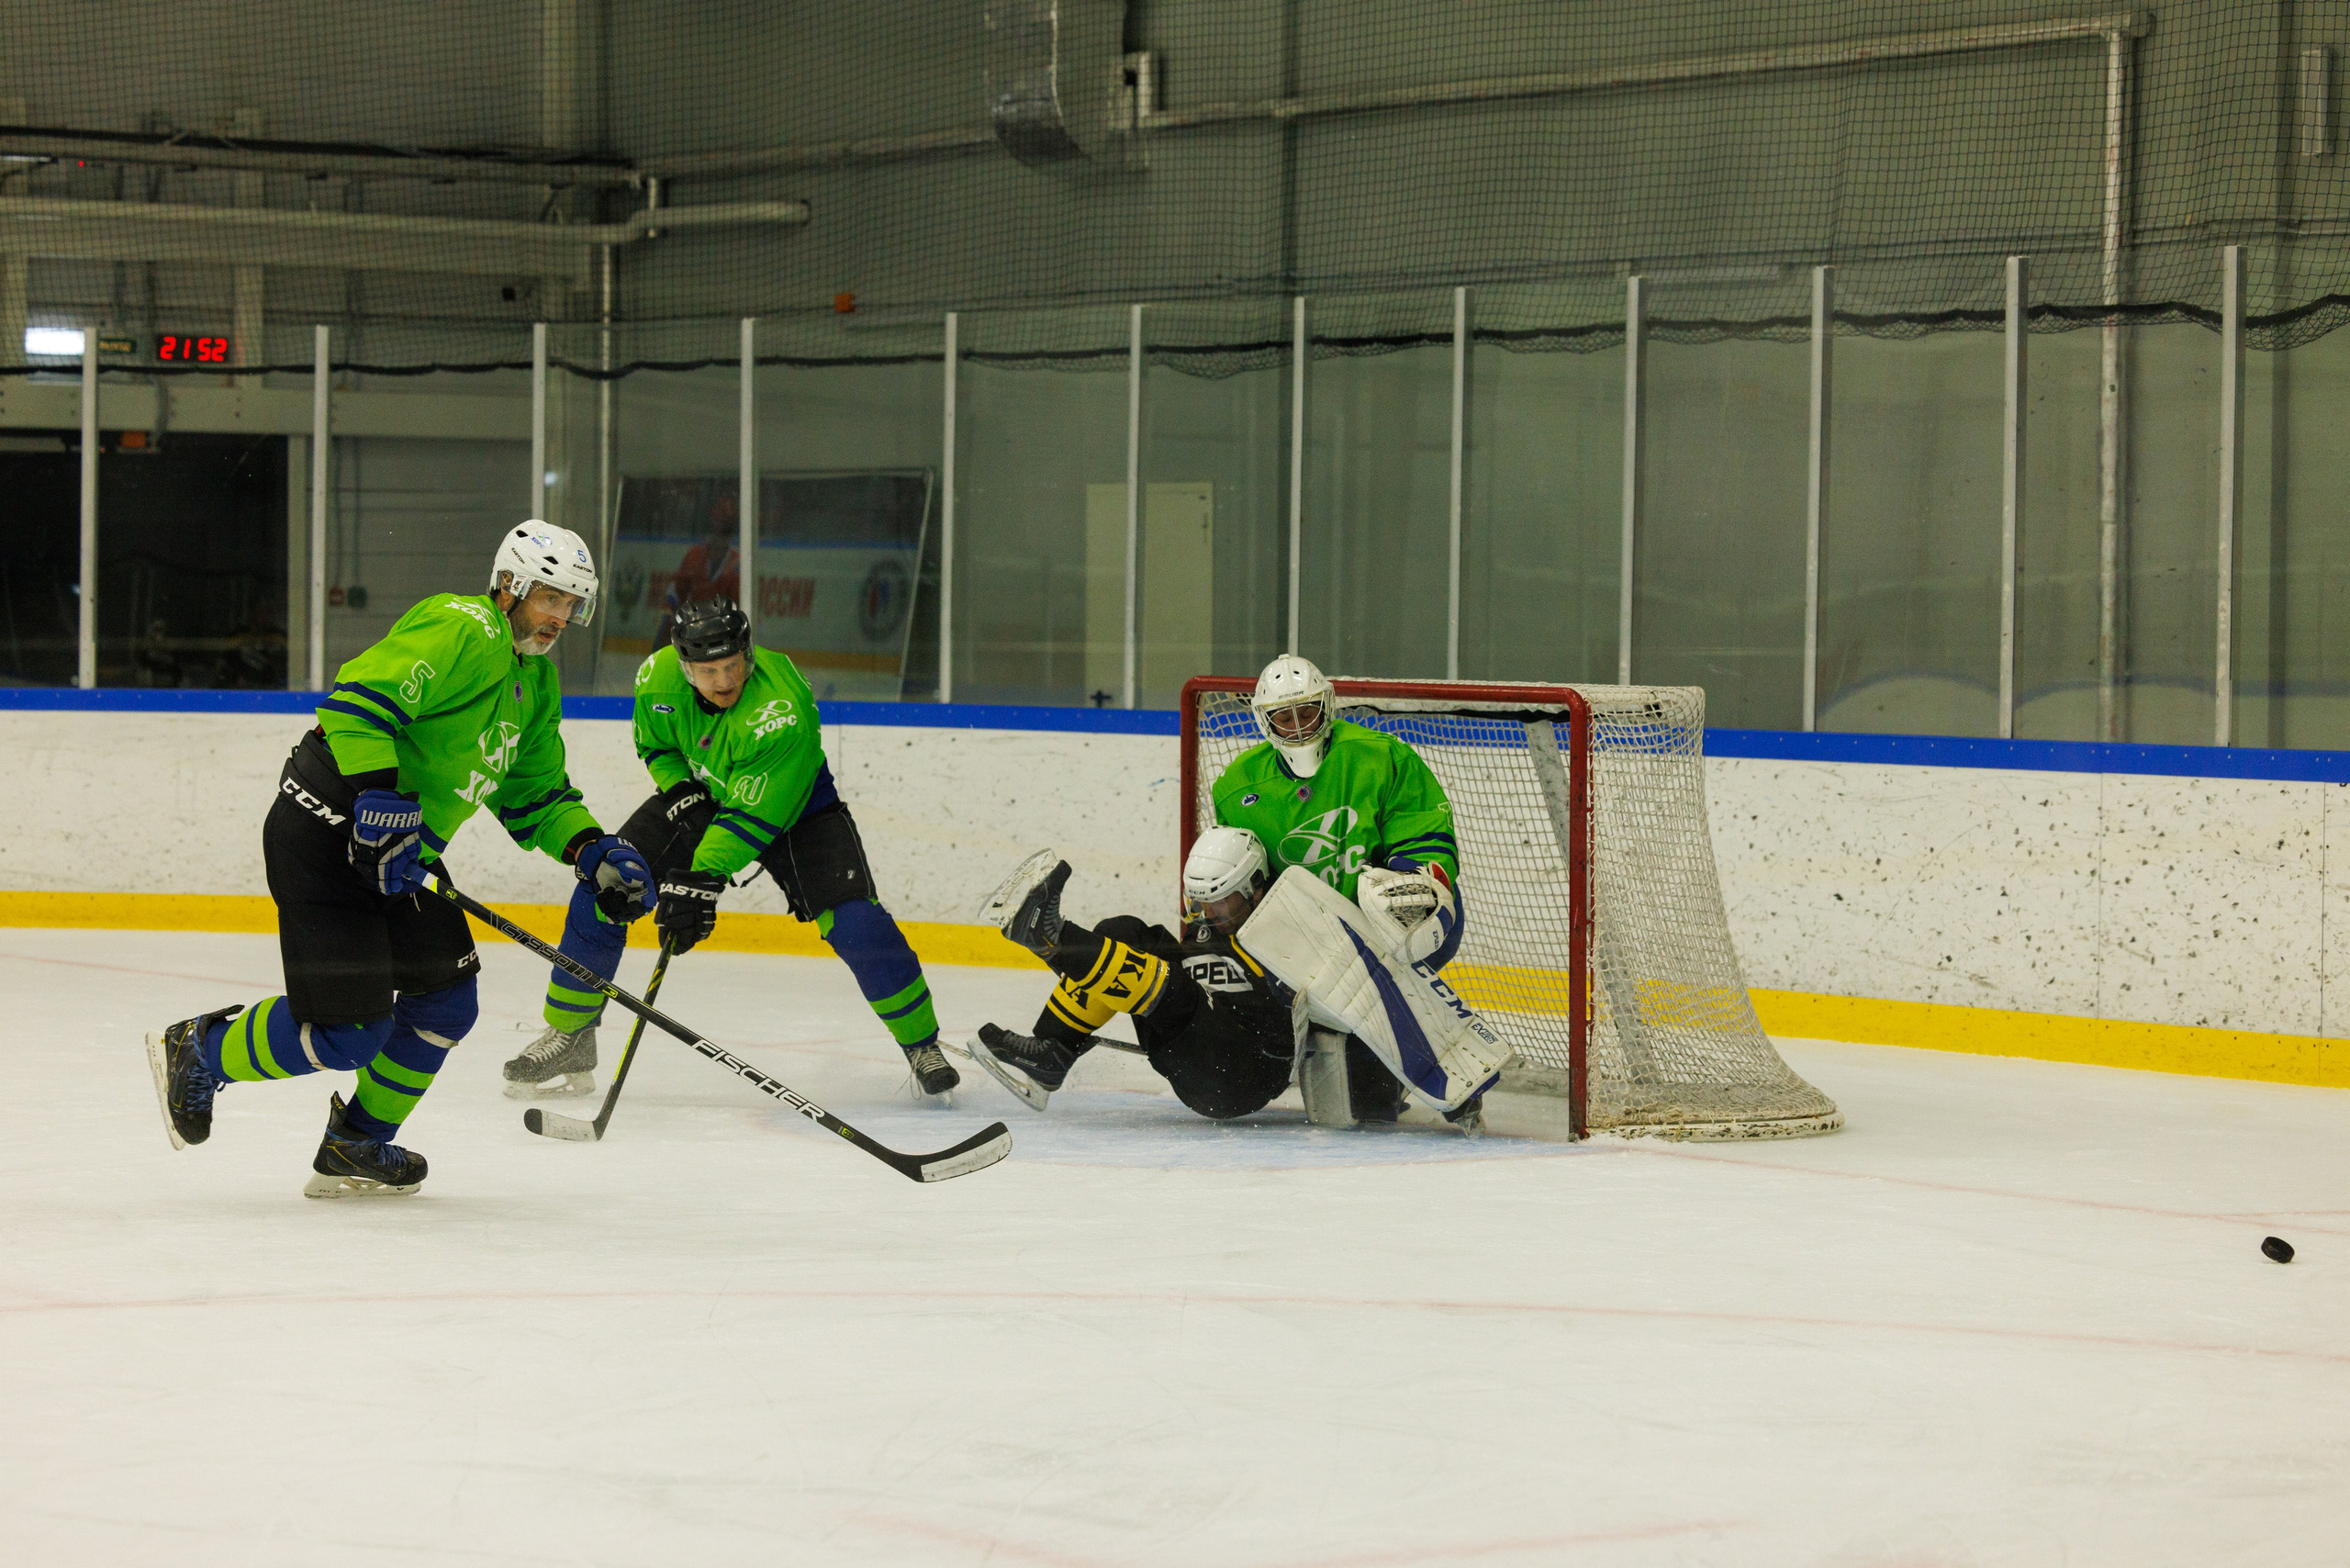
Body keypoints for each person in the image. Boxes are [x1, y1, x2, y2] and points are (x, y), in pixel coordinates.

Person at [144, 522, 655, 1198]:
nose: (560, 617)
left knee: (445, 1004)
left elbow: (535, 795)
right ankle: (201, 1050)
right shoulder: (465, 626)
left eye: (571, 604)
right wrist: (379, 796)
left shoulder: (535, 682)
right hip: (326, 833)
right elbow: (358, 702)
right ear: (510, 586)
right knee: (349, 1034)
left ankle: (355, 1142)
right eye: (551, 597)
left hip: (400, 855)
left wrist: (592, 849)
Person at [501, 595, 960, 1102]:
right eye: (708, 671)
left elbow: (752, 816)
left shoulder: (780, 706)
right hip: (707, 794)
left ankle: (921, 1043)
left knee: (857, 924)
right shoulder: (657, 679)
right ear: (685, 668)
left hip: (797, 809)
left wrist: (697, 883)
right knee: (609, 882)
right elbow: (658, 747)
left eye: (733, 666)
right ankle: (571, 1035)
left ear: (749, 657)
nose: (724, 682)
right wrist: (681, 793)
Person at [967, 829, 1299, 1121]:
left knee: (1175, 991)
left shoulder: (1284, 935)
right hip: (1188, 1041)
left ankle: (1053, 940)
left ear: (1255, 889)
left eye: (1220, 902)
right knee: (1122, 934)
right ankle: (1052, 1052)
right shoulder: (1210, 925)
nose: (1208, 913)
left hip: (1243, 1074)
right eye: (1200, 901)